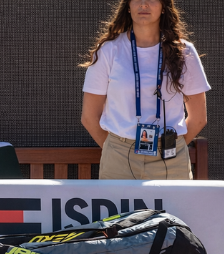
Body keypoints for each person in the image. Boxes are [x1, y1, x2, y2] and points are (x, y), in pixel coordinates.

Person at [80, 0, 210, 180]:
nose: (144, 4)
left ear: (164, 7)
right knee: (121, 210)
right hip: (119, 159)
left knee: (174, 210)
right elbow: (89, 117)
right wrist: (119, 149)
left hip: (171, 159)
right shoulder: (108, 51)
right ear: (128, 6)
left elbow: (198, 118)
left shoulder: (184, 52)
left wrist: (169, 146)